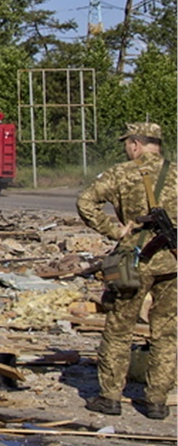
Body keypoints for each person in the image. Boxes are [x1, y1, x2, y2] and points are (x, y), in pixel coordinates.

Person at [76, 122, 176, 420]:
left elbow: (85, 201)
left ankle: (110, 398)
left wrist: (114, 230)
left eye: (127, 144)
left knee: (119, 329)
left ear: (135, 144)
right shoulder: (176, 172)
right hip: (172, 262)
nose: (126, 149)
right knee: (167, 333)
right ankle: (157, 401)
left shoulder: (121, 173)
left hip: (131, 261)